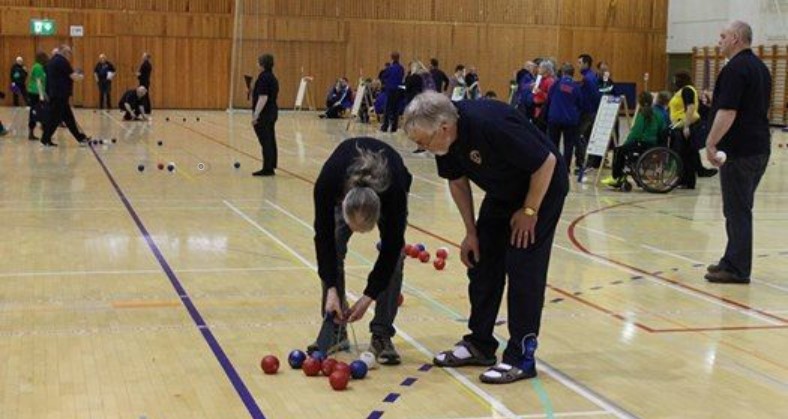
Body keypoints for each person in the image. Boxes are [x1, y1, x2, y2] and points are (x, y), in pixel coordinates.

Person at [403, 91, 568, 384]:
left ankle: (521, 356)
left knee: (522, 267)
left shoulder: (489, 123)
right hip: (503, 192)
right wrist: (471, 232)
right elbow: (457, 181)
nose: (423, 148)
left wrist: (529, 211)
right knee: (481, 262)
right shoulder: (445, 143)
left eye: (423, 142)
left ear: (443, 128)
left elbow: (547, 162)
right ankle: (479, 343)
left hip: (541, 188)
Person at [311, 137, 412, 365]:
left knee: (395, 258)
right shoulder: (328, 184)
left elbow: (391, 247)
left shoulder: (394, 192)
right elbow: (322, 239)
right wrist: (332, 290)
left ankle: (382, 333)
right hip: (343, 181)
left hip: (390, 185)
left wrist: (369, 296)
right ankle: (335, 328)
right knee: (334, 241)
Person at [704, 21, 772, 284]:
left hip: (740, 151)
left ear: (735, 39)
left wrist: (711, 143)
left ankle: (737, 268)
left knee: (737, 209)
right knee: (738, 207)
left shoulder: (735, 69)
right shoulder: (760, 68)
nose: (718, 40)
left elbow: (729, 112)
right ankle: (731, 259)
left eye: (722, 36)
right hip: (758, 149)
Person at [602, 92, 666, 188]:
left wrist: (626, 144)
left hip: (642, 144)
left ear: (639, 102)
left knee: (619, 150)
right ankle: (621, 176)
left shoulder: (642, 114)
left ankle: (616, 177)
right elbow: (662, 130)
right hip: (653, 145)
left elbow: (636, 134)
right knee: (625, 149)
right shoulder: (658, 114)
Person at [669, 70, 715, 189]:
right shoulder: (682, 91)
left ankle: (687, 181)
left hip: (685, 124)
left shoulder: (687, 90)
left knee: (685, 154)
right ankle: (685, 179)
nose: (674, 82)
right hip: (679, 124)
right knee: (686, 153)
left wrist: (686, 126)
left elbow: (690, 108)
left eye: (676, 79)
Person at [39, 45, 90, 147]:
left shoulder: (51, 61)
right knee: (55, 119)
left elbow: (48, 79)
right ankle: (45, 139)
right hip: (60, 95)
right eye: (69, 52)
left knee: (68, 118)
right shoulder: (62, 61)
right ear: (64, 52)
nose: (70, 55)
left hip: (56, 94)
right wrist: (81, 77)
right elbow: (73, 77)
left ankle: (80, 138)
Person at [545, 63, 583, 171]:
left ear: (562, 72)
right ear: (572, 73)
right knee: (568, 144)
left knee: (553, 143)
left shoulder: (556, 84)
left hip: (555, 117)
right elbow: (580, 102)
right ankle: (566, 168)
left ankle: (554, 166)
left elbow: (550, 97)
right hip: (570, 119)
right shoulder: (576, 86)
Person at [251, 53, 279, 176]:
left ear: (262, 64)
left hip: (265, 114)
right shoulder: (271, 77)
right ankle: (271, 164)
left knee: (266, 141)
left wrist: (256, 115)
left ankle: (267, 168)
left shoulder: (263, 78)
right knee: (270, 139)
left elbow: (263, 97)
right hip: (272, 111)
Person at [575, 54, 602, 173]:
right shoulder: (590, 76)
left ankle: (582, 163)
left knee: (579, 136)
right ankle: (588, 162)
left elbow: (594, 96)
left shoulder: (588, 78)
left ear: (586, 64)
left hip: (587, 112)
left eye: (580, 63)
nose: (578, 65)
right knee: (586, 136)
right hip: (590, 111)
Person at [26, 52, 48, 140]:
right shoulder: (38, 67)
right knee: (36, 112)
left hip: (36, 92)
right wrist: (42, 96)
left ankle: (43, 130)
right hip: (35, 93)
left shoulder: (38, 67)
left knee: (37, 111)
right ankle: (33, 132)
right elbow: (38, 82)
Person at [380, 52, 404, 133]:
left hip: (390, 90)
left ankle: (385, 126)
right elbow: (401, 78)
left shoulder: (390, 68)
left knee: (387, 109)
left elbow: (383, 76)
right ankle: (394, 127)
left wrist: (386, 82)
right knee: (395, 109)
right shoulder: (401, 68)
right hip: (398, 91)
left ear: (392, 58)